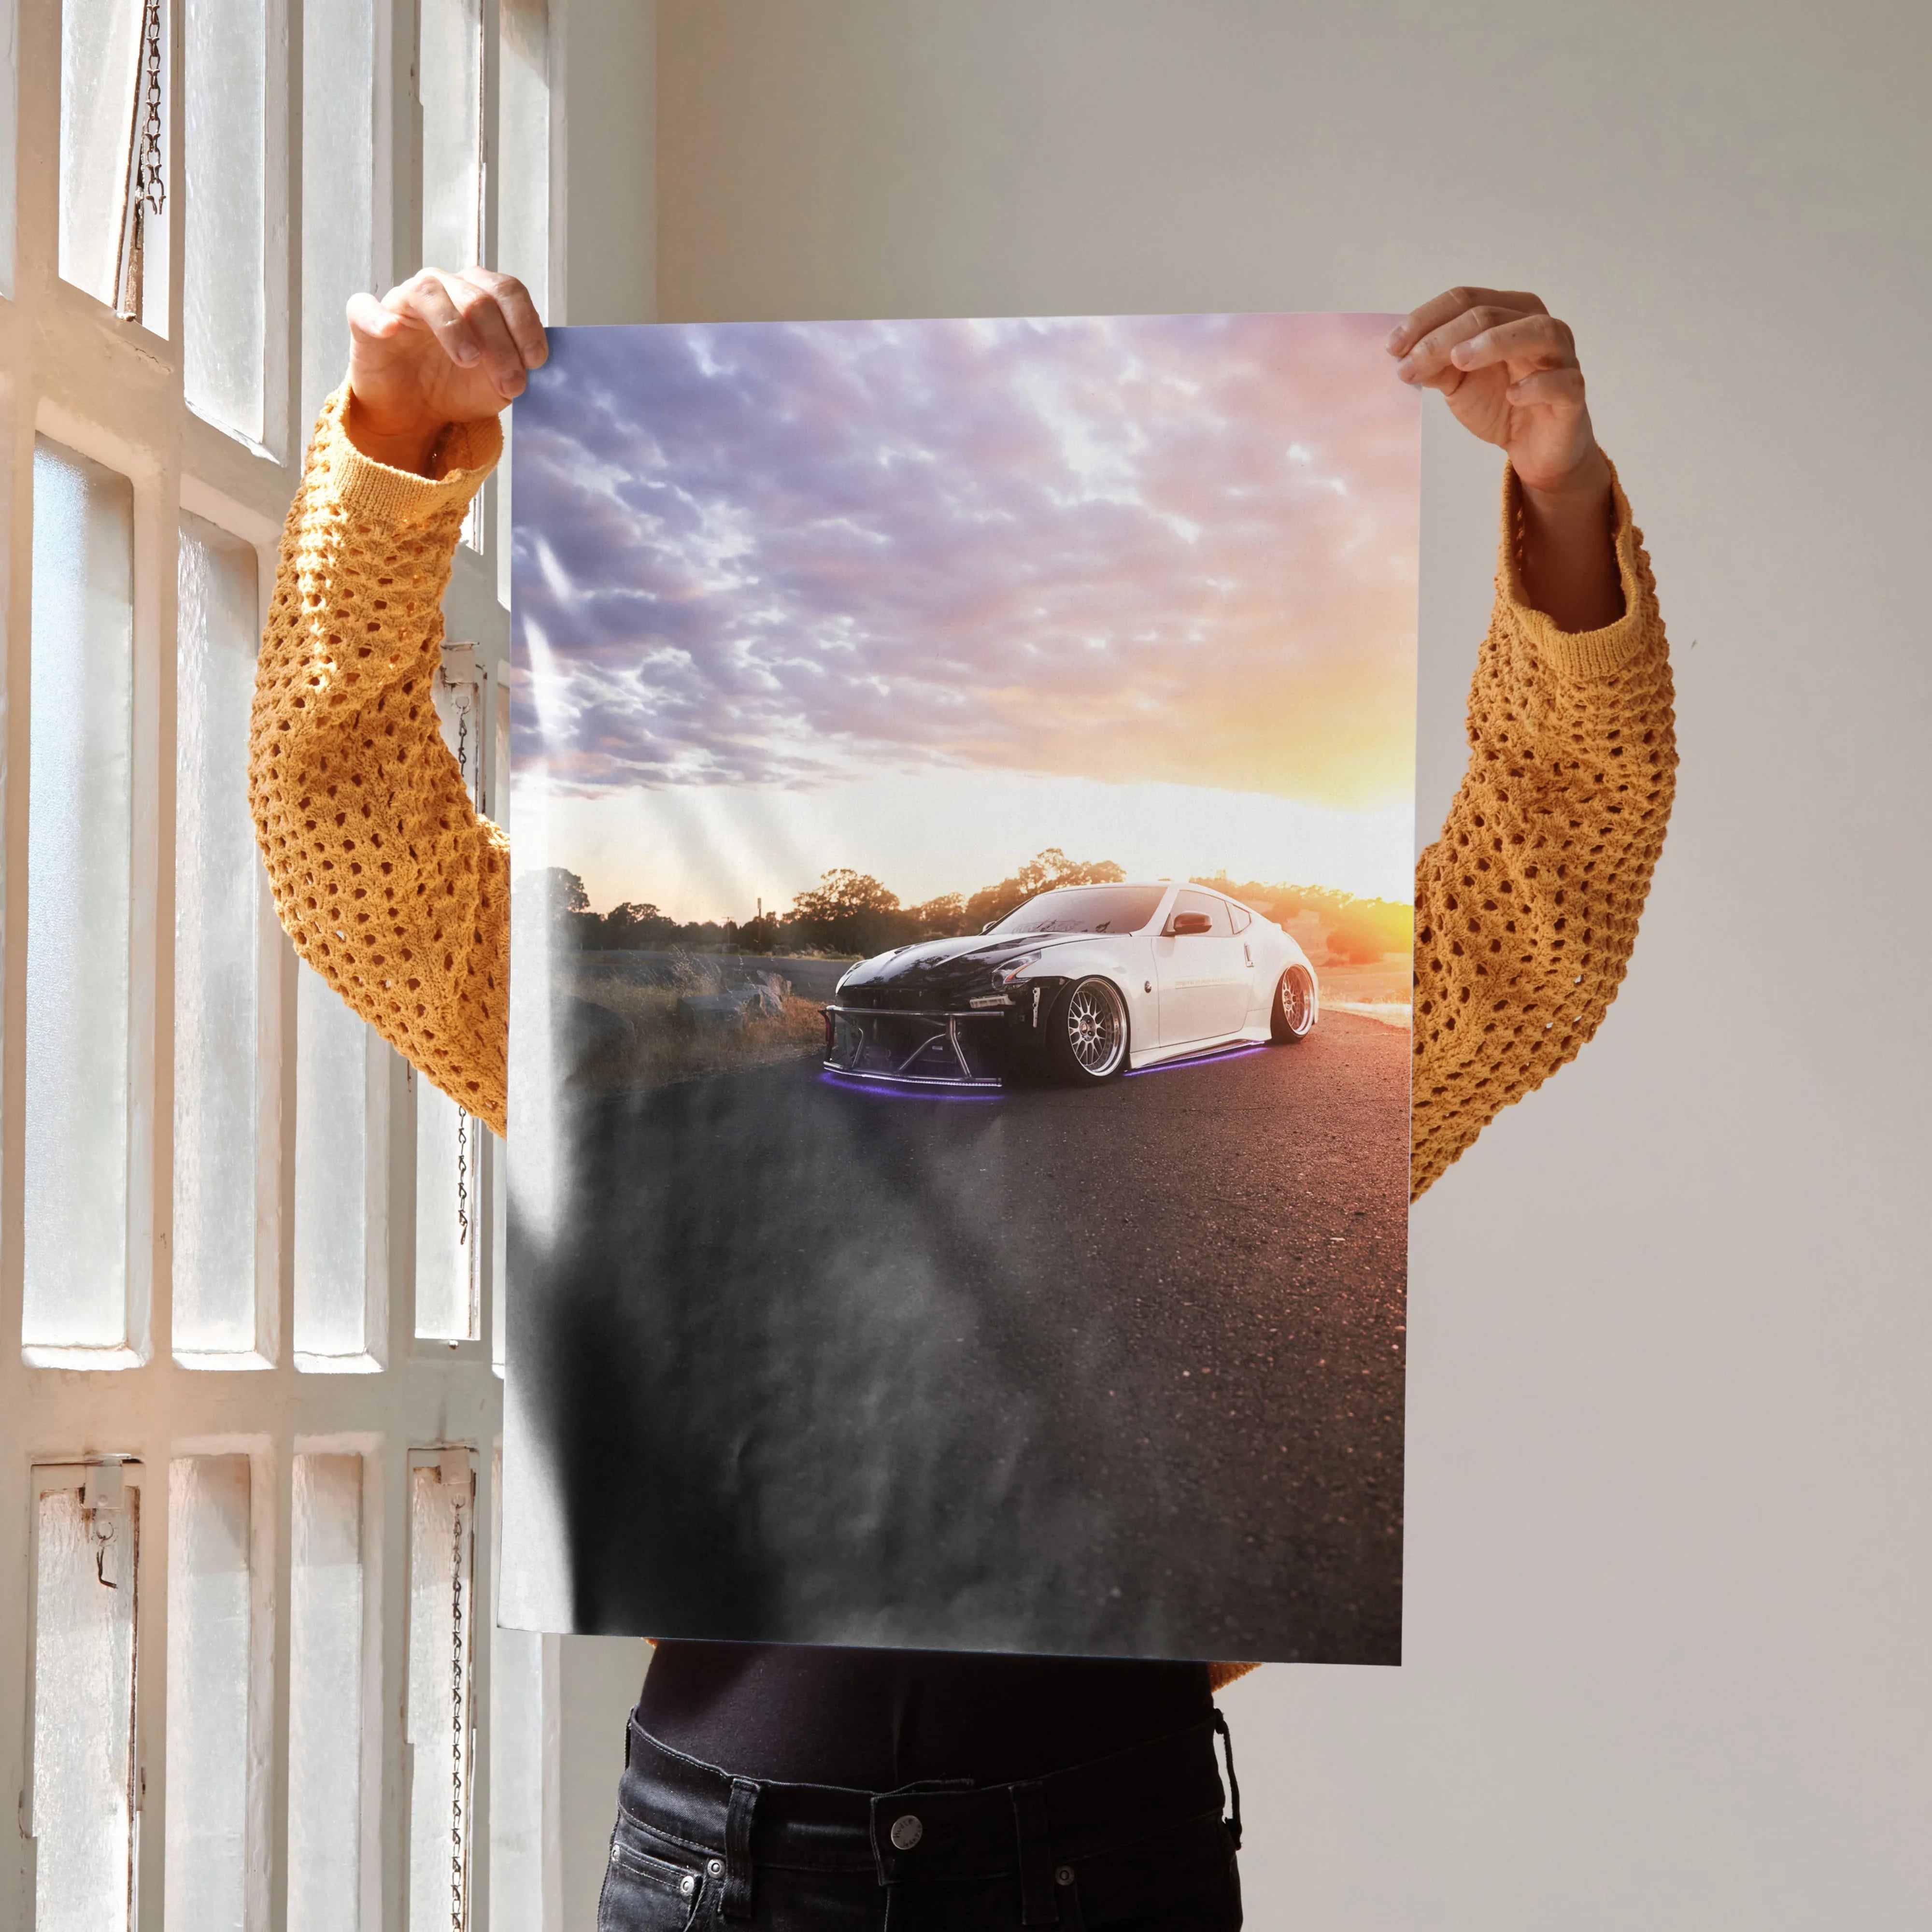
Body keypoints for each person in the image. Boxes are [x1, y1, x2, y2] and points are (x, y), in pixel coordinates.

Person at [250, 269, 1675, 1929]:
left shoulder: (1285, 1075)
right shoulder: (625, 1075)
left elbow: (1543, 909)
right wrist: (393, 444)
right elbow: (350, 847)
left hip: (1102, 1851)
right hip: (726, 1863)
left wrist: (1561, 500)